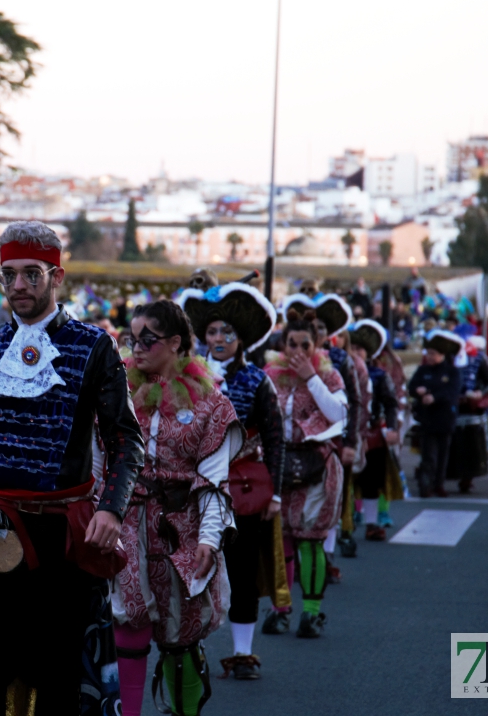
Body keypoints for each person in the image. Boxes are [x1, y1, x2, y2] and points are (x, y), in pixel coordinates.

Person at [0, 221, 145, 715]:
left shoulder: (95, 347)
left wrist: (111, 510)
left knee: (58, 675)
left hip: (63, 536)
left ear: (56, 276)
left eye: (31, 275)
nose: (19, 286)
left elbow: (126, 439)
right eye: (9, 276)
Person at [110, 300, 241, 716]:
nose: (137, 347)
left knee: (178, 632)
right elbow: (100, 458)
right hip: (128, 522)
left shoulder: (210, 405)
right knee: (128, 616)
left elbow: (214, 479)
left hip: (180, 527)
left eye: (146, 339)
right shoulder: (118, 393)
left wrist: (209, 538)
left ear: (175, 342)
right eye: (132, 338)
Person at [182, 282, 287, 681]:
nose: (219, 339)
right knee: (193, 570)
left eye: (228, 333)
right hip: (192, 492)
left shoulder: (258, 381)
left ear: (241, 338)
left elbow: (276, 439)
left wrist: (275, 492)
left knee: (243, 574)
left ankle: (243, 654)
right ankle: (191, 647)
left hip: (242, 492)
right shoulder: (186, 379)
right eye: (212, 332)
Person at [262, 310, 348, 639]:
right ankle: (280, 608)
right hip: (280, 465)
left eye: (305, 344)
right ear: (282, 344)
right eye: (292, 344)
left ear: (317, 344)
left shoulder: (329, 375)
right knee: (280, 540)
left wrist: (311, 377)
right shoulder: (270, 375)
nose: (298, 350)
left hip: (317, 467)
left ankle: (311, 612)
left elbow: (339, 413)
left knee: (310, 539)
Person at [348, 320, 401, 540]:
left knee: (371, 481)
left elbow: (391, 404)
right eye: (353, 348)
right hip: (347, 434)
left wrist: (390, 428)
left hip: (373, 434)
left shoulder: (379, 375)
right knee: (345, 481)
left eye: (360, 349)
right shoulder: (340, 371)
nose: (356, 352)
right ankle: (345, 524)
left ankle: (371, 523)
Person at [408, 331, 463, 498]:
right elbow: (412, 386)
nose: (430, 357)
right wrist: (418, 392)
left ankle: (439, 483)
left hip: (444, 417)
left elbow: (452, 392)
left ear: (442, 355)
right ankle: (426, 484)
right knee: (428, 455)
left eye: (433, 354)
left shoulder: (451, 372)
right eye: (428, 353)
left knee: (442, 454)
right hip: (427, 418)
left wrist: (434, 396)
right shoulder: (423, 370)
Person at [449, 335, 488, 494]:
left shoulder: (479, 358)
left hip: (471, 409)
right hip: (450, 407)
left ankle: (467, 479)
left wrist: (479, 393)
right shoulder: (448, 357)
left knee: (471, 447)